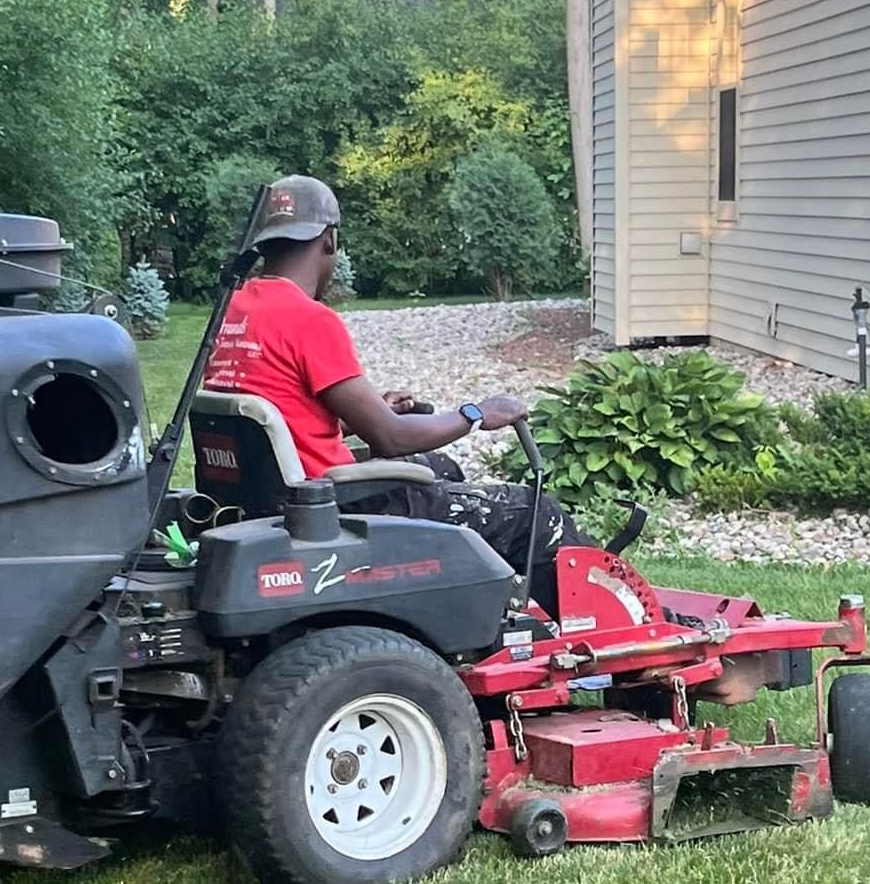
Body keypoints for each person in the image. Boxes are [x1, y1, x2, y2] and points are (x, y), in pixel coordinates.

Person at [204, 174, 597, 613]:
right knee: (536, 513)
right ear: (329, 240)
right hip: (331, 504)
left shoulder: (232, 311)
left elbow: (281, 403)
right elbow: (390, 439)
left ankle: (475, 607)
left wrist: (371, 408)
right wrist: (475, 413)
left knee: (443, 467)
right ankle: (609, 632)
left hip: (269, 490)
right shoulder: (309, 319)